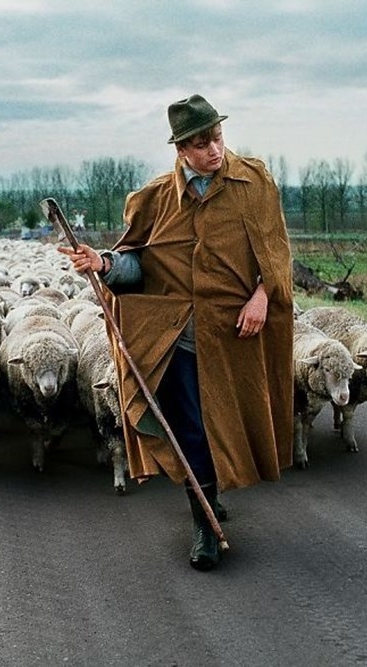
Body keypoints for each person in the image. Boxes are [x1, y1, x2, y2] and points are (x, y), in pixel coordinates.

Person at [58, 94, 294, 571]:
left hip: (236, 334)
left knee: (231, 421)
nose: (214, 150)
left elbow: (276, 252)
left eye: (217, 138)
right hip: (180, 336)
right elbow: (138, 264)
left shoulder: (254, 183)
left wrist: (263, 295)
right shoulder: (156, 199)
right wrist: (103, 263)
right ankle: (204, 523)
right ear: (181, 149)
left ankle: (214, 491)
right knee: (192, 429)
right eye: (201, 144)